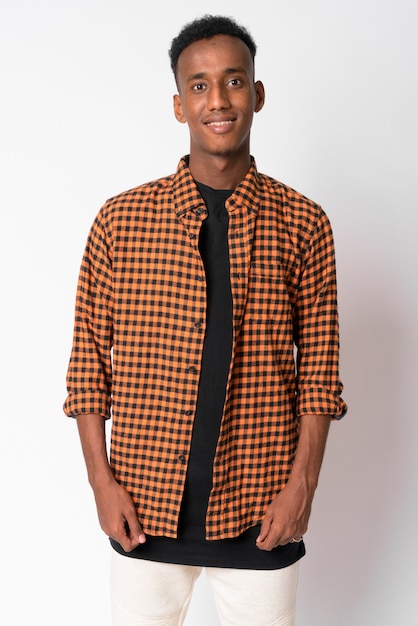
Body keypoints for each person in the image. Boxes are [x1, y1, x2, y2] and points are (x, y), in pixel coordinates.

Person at [64, 14, 347, 626]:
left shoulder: (304, 223)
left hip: (260, 512)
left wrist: (302, 488)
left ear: (258, 94)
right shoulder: (121, 221)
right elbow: (88, 363)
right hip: (143, 510)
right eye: (198, 85)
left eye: (234, 81)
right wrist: (101, 484)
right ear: (178, 104)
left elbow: (320, 374)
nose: (217, 100)